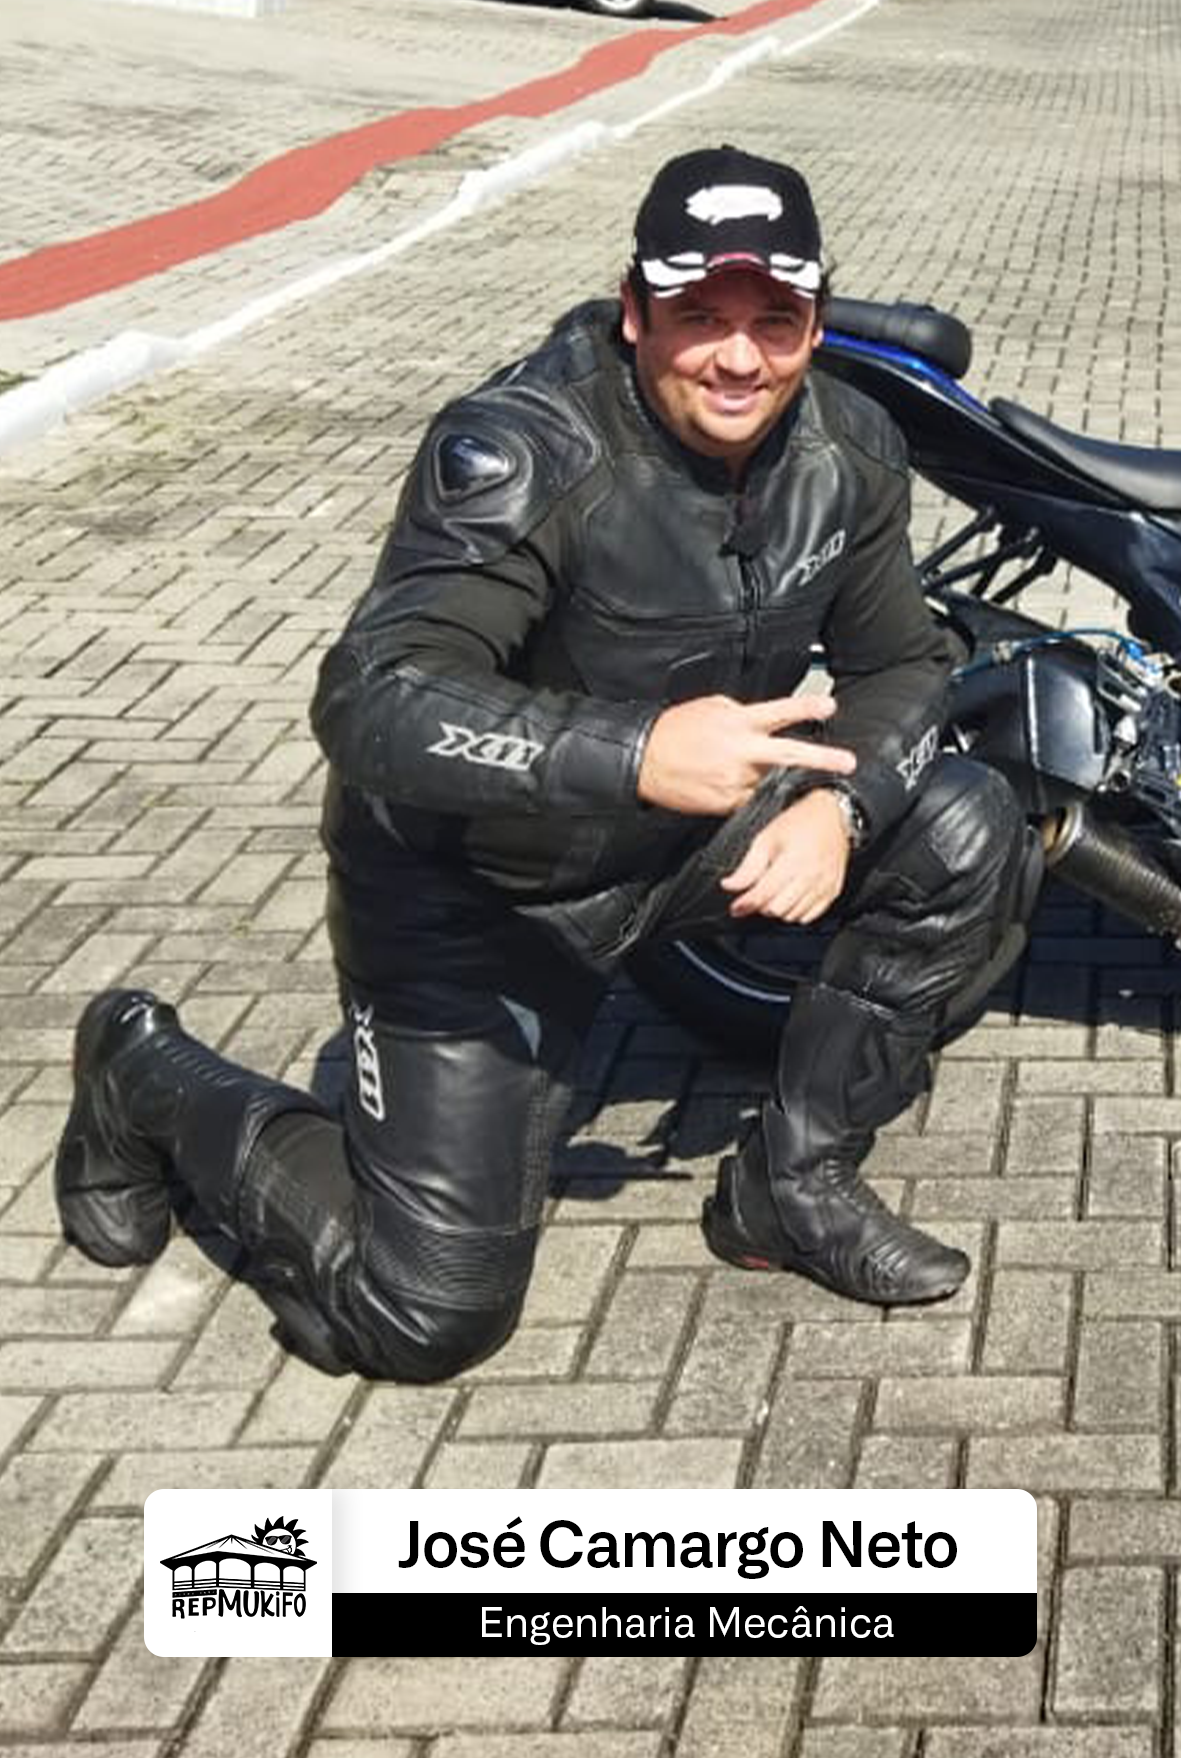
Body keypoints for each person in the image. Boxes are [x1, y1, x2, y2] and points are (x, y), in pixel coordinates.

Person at [53, 145, 1035, 1383]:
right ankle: (144, 1070)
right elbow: (372, 697)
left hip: (678, 841)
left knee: (964, 822)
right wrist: (635, 751)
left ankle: (791, 1186)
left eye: (774, 320)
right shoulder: (519, 449)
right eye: (699, 316)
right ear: (634, 311)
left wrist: (840, 805)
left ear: (814, 320)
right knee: (422, 1315)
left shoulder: (851, 446)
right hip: (477, 892)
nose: (739, 357)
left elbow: (902, 662)